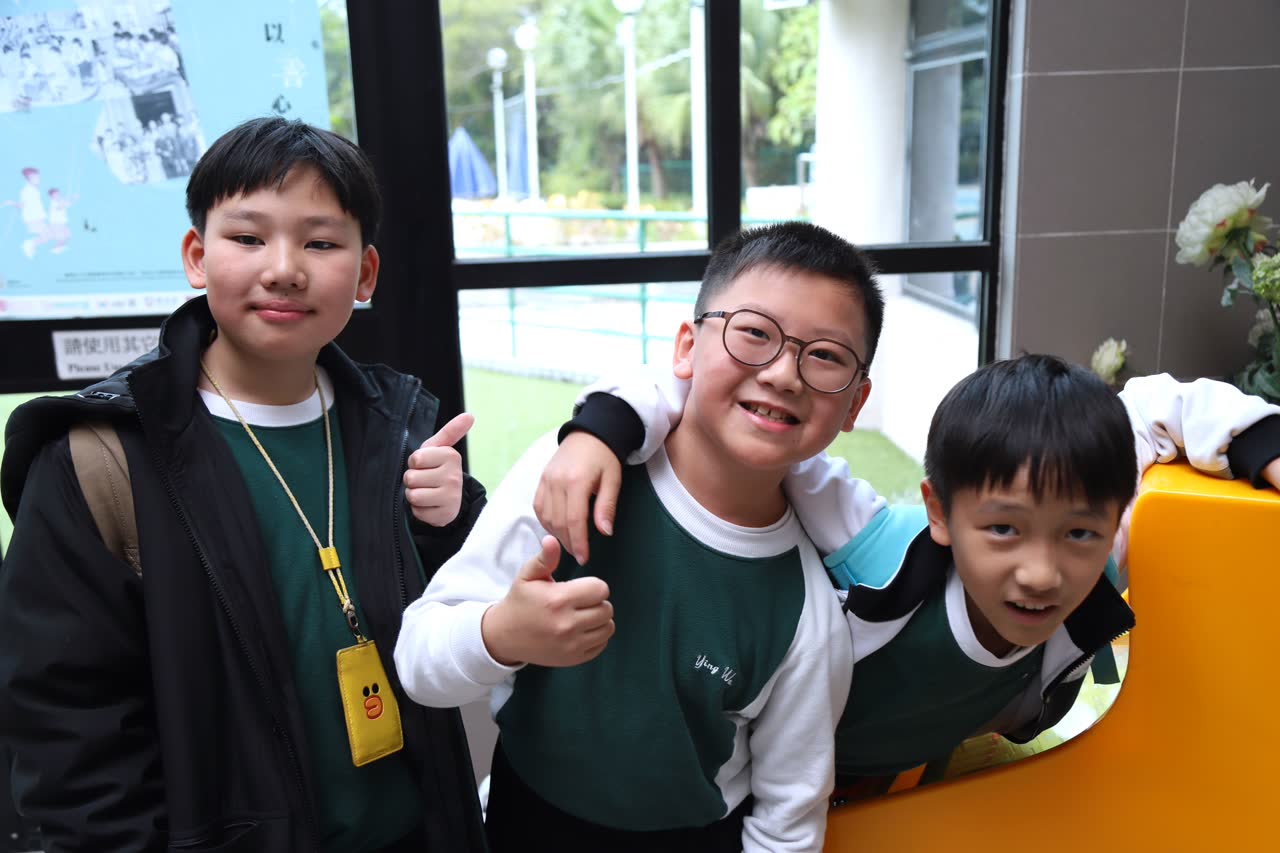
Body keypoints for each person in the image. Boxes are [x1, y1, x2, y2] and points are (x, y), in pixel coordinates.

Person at [0, 117, 489, 853]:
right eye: (248, 237)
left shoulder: (396, 427)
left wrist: (447, 523)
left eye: (320, 243)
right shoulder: (99, 457)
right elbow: (68, 729)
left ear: (365, 274)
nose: (284, 268)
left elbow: (456, 617)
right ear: (197, 257)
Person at [536, 353, 1280, 790]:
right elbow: (713, 400)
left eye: (1080, 532)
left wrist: (1263, 443)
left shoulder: (1096, 546)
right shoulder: (875, 546)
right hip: (772, 778)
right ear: (940, 512)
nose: (1041, 573)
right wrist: (599, 430)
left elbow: (1152, 406)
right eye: (1002, 530)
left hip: (926, 761)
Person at [395, 222, 885, 852]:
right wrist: (502, 634)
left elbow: (788, 820)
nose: (784, 374)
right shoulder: (567, 477)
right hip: (521, 818)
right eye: (755, 333)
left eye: (825, 356)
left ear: (854, 404)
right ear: (687, 347)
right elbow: (419, 662)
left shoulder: (807, 613)